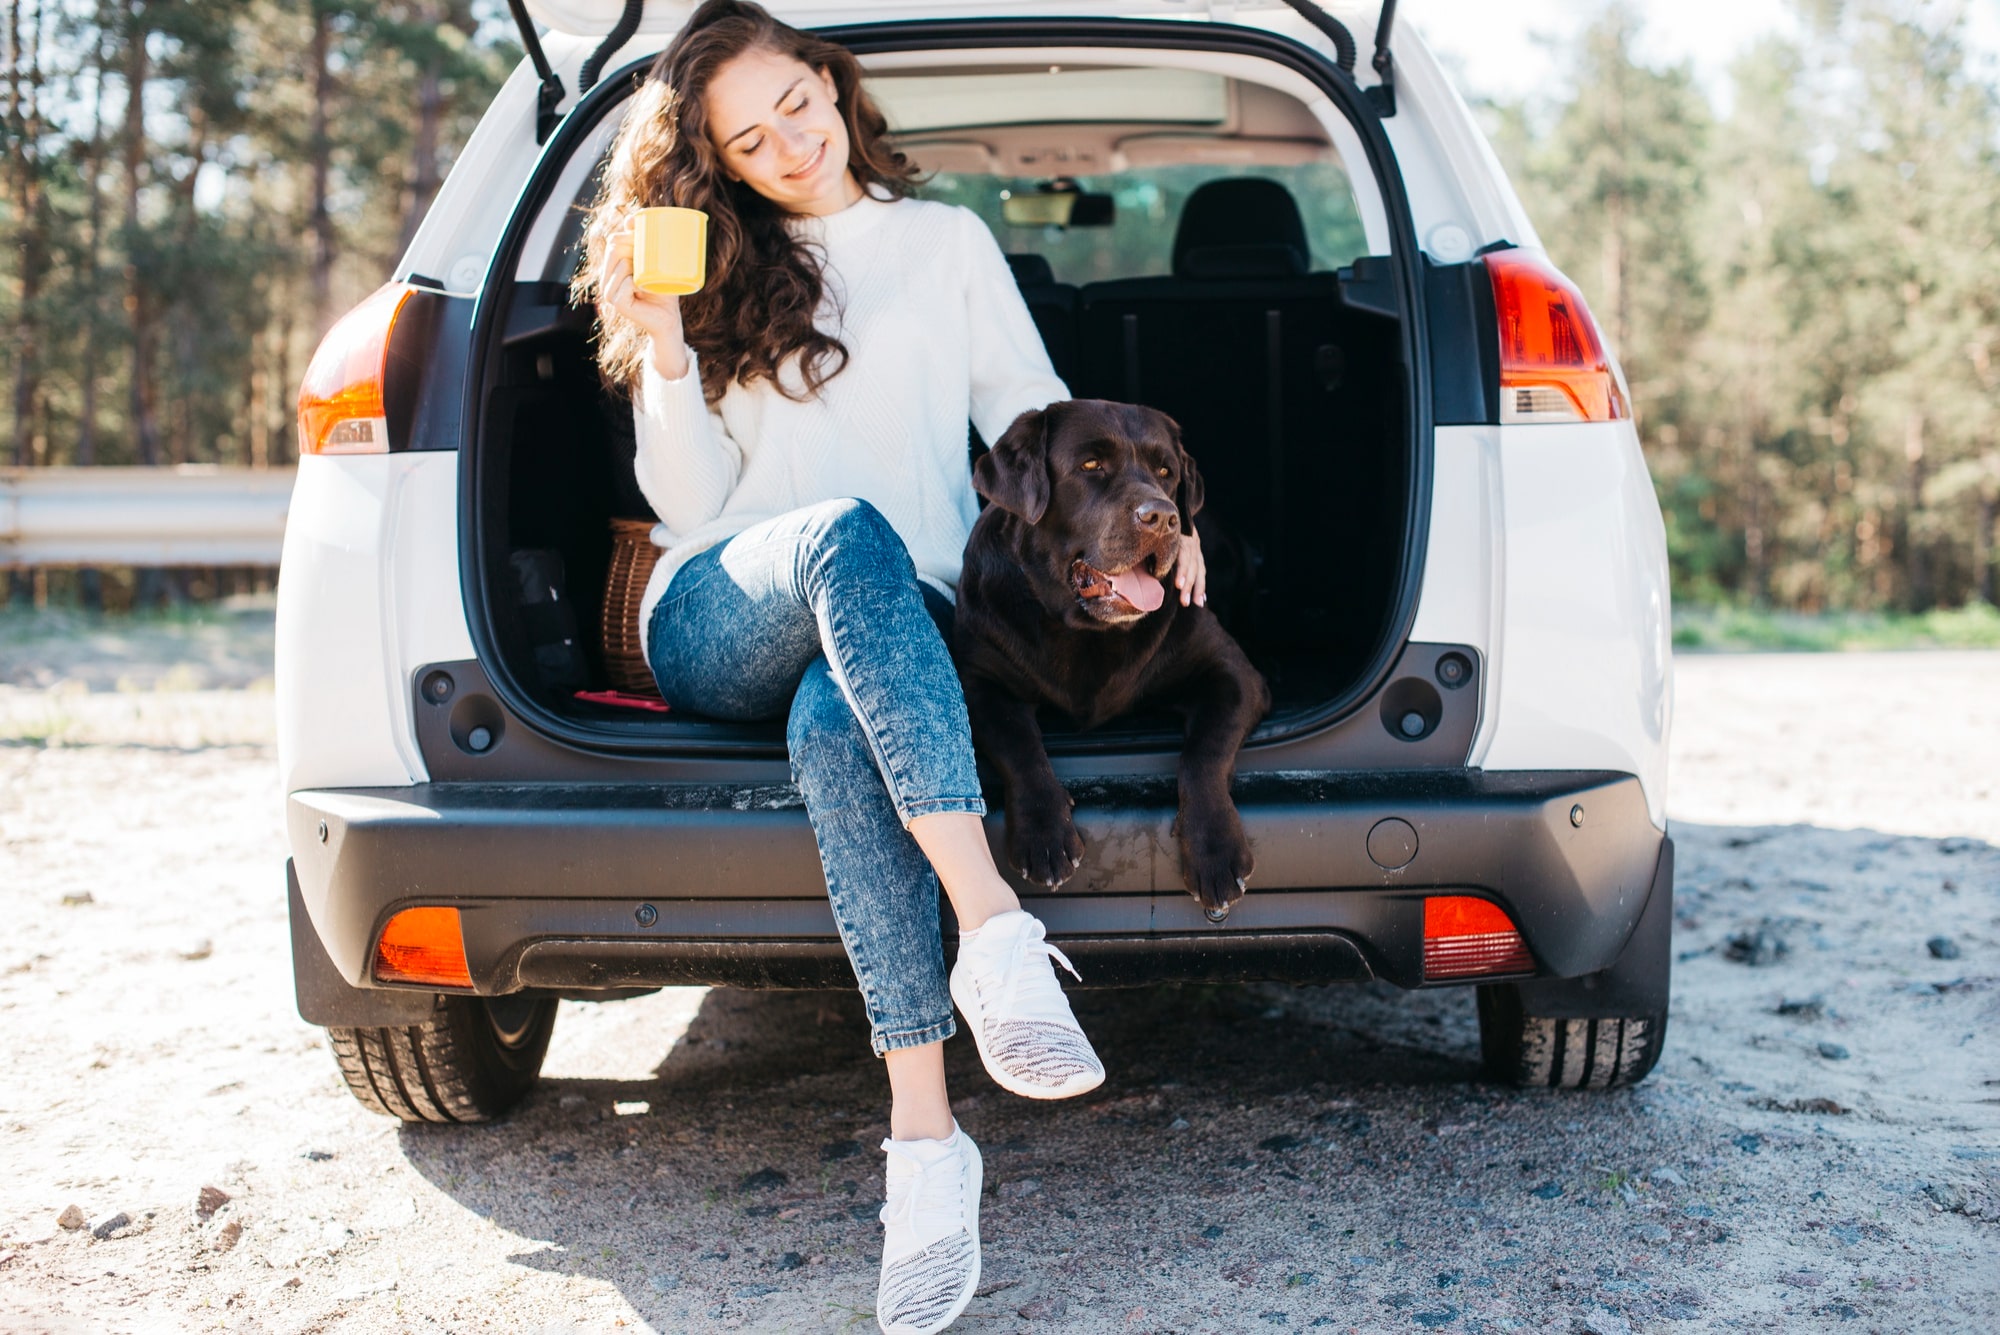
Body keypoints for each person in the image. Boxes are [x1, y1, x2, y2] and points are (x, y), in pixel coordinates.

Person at [577, 4, 1205, 1331]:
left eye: (793, 105)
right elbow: (687, 496)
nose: (787, 145)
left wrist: (1159, 532)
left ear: (831, 82)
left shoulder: (945, 244)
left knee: (835, 727)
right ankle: (993, 926)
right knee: (843, 542)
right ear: (719, 166)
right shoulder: (719, 274)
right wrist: (666, 345)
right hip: (717, 606)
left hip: (890, 623)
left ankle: (925, 1145)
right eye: (747, 140)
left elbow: (1035, 424)